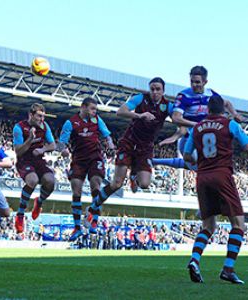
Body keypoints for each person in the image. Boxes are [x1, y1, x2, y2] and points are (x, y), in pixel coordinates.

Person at [184, 95, 248, 284]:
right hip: (222, 175)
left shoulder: (196, 128)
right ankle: (228, 269)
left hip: (202, 177)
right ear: (223, 109)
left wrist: (200, 162)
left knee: (209, 226)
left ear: (207, 110)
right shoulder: (229, 124)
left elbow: (187, 155)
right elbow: (245, 146)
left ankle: (194, 260)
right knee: (238, 224)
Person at [93, 77, 173, 206]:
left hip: (146, 147)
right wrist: (140, 115)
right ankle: (94, 206)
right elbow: (120, 111)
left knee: (145, 184)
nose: (154, 92)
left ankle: (134, 175)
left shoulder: (168, 106)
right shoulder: (141, 98)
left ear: (163, 91)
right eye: (152, 89)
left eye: (158, 89)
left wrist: (176, 136)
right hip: (129, 142)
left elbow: (179, 119)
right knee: (117, 184)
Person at [153, 66, 244, 170]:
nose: (194, 85)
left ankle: (155, 161)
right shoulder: (184, 96)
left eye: (197, 82)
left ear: (205, 82)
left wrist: (235, 114)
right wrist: (198, 125)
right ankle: (155, 161)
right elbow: (176, 118)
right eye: (192, 82)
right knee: (202, 166)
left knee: (204, 167)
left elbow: (226, 103)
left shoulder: (211, 94)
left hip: (205, 139)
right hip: (189, 139)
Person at [57, 97, 114, 241]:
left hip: (95, 158)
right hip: (78, 160)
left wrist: (110, 143)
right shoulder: (71, 122)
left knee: (96, 185)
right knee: (76, 190)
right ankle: (77, 228)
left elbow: (107, 135)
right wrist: (63, 150)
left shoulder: (97, 120)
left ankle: (93, 219)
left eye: (96, 109)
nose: (95, 112)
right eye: (92, 109)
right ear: (83, 107)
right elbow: (61, 143)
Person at [13, 103, 56, 234]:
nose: (41, 119)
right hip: (24, 160)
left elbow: (53, 145)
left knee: (50, 181)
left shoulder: (44, 126)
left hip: (38, 160)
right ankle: (20, 215)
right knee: (32, 180)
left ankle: (39, 202)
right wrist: (30, 140)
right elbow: (18, 151)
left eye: (43, 116)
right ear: (30, 115)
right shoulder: (19, 127)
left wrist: (42, 149)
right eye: (39, 116)